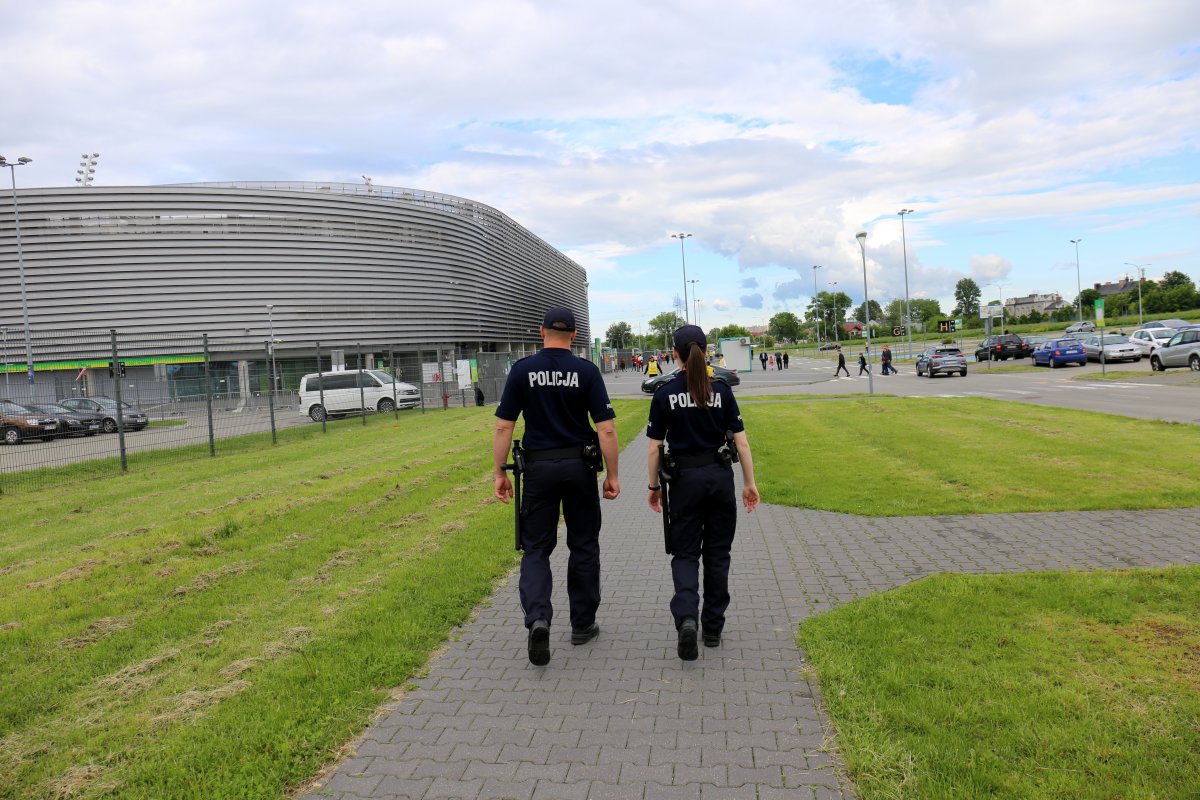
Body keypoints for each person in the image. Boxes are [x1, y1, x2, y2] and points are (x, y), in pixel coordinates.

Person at [493, 306, 620, 667]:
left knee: (536, 547)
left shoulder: (522, 370)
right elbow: (606, 429)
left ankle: (538, 619)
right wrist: (612, 474)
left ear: (541, 331)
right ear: (575, 335)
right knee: (583, 544)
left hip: (538, 469)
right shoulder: (587, 371)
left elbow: (504, 426)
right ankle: (582, 624)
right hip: (579, 467)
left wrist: (499, 472)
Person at [647, 325, 759, 661]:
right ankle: (712, 628)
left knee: (684, 554)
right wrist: (749, 484)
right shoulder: (722, 391)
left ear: (675, 354)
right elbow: (741, 442)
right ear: (706, 351)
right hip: (719, 479)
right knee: (717, 554)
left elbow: (654, 449)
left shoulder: (665, 393)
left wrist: (654, 487)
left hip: (683, 483)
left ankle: (686, 620)